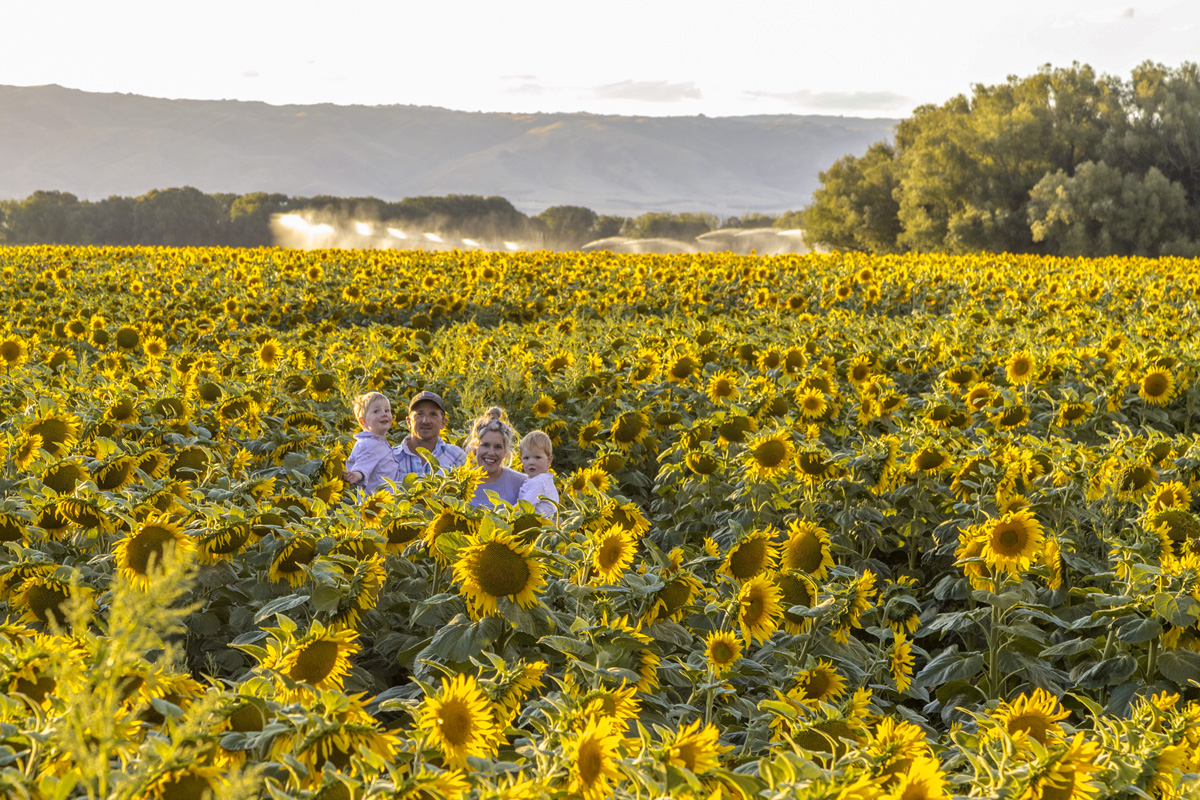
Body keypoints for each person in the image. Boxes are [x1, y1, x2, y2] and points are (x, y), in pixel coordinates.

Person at [393, 390, 467, 476]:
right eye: (420, 414)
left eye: (433, 414)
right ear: (408, 422)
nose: (426, 421)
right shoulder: (392, 458)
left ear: (443, 422)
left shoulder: (456, 456)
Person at [342, 392, 402, 498]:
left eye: (387, 410)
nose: (384, 414)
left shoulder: (378, 441)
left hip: (388, 501)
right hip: (377, 505)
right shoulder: (368, 445)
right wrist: (357, 474)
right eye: (376, 411)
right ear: (363, 421)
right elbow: (362, 464)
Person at [464, 407, 526, 508]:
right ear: (475, 448)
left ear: (505, 452)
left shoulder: (520, 483)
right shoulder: (462, 482)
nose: (491, 453)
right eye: (485, 445)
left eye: (498, 447)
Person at [517, 429, 559, 518]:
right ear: (521, 460)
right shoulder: (541, 479)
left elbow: (523, 506)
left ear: (549, 460)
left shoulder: (539, 482)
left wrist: (503, 515)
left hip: (541, 528)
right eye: (526, 458)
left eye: (537, 457)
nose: (531, 462)